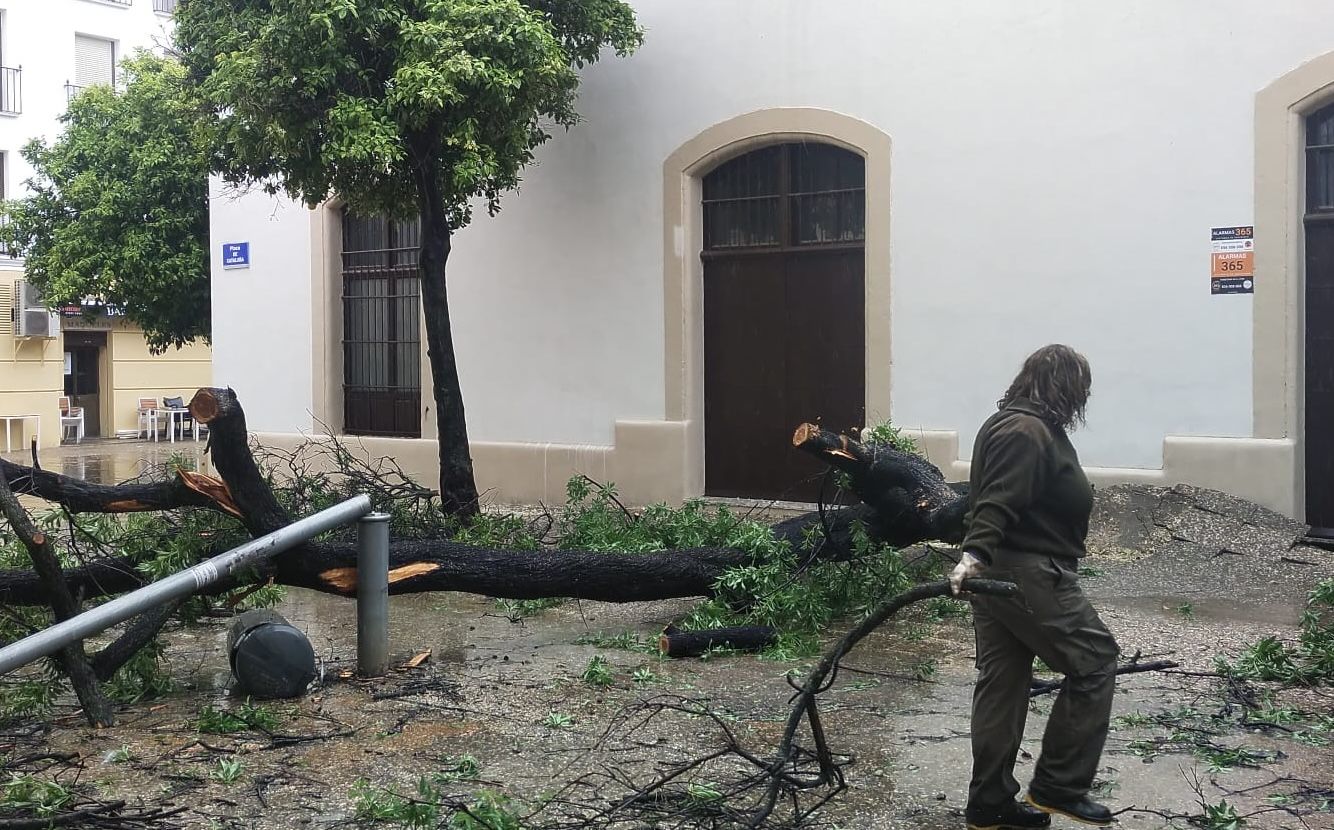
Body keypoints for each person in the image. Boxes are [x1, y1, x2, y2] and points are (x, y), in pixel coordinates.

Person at [949, 344, 1120, 830]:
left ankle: (990, 804)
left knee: (1003, 685)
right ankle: (1059, 786)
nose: (1080, 400)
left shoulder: (1017, 424)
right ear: (1065, 387)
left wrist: (981, 560)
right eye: (1079, 390)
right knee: (1095, 660)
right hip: (1025, 573)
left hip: (1002, 573)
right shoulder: (1025, 431)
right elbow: (998, 499)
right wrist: (975, 554)